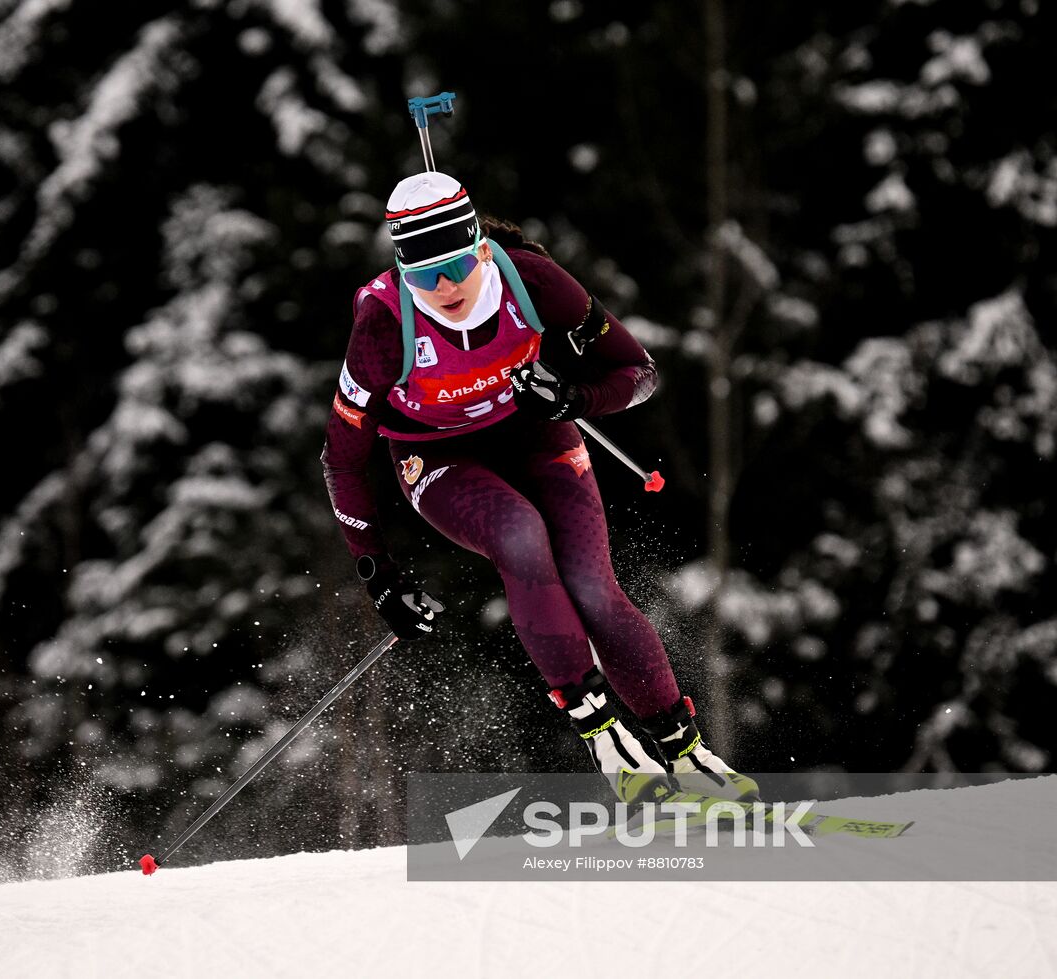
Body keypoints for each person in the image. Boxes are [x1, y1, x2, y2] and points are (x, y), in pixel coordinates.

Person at [320, 171, 757, 804]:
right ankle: (609, 744)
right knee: (519, 535)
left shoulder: (533, 281)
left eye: (451, 267)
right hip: (436, 458)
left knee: (592, 588)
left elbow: (640, 373)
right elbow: (341, 458)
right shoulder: (384, 328)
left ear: (477, 248)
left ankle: (686, 753)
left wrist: (572, 397)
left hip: (533, 434)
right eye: (421, 273)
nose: (441, 287)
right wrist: (376, 569)